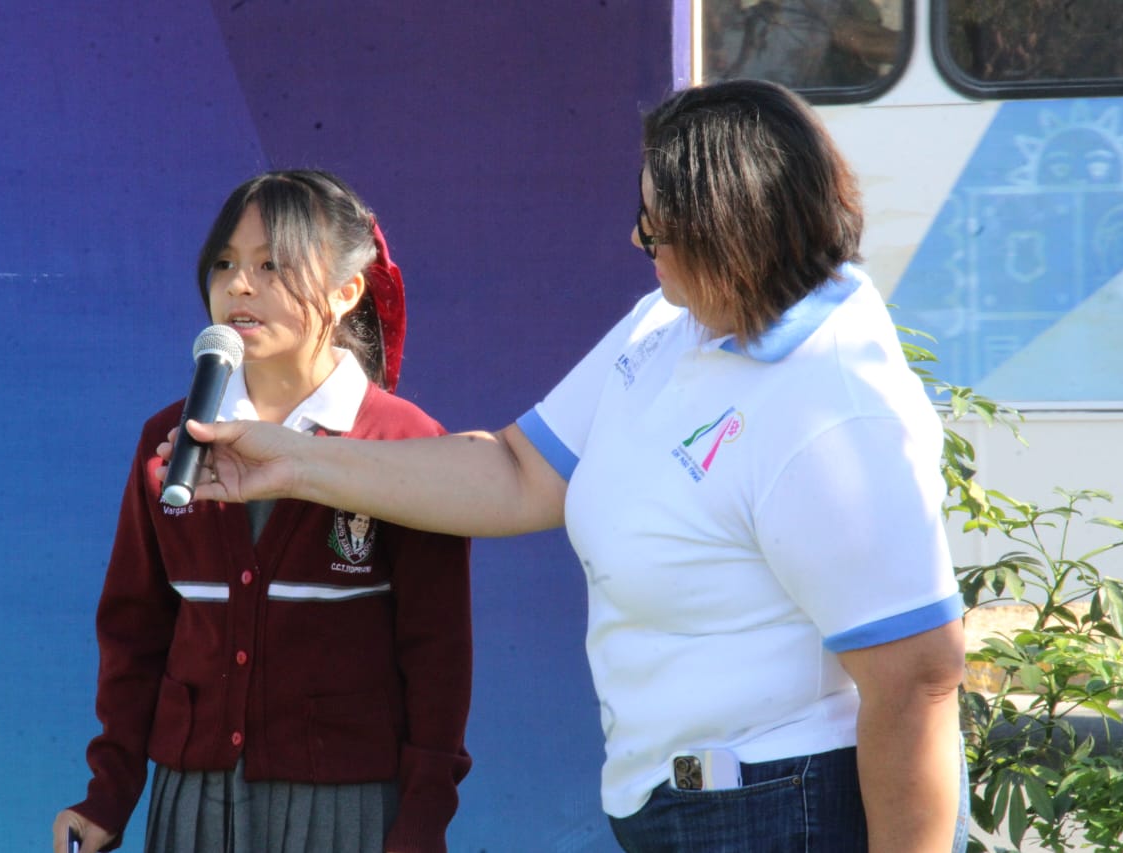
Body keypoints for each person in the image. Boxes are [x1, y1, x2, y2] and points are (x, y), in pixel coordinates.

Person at [157, 80, 968, 852]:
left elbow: (918, 682)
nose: (634, 240)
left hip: (781, 807)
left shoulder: (834, 402)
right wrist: (292, 463)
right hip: (673, 803)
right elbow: (515, 470)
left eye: (654, 228)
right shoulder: (671, 322)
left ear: (729, 231)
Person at [52, 170, 473, 853]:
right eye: (225, 264)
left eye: (271, 265)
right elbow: (135, 630)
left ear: (346, 292)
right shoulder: (171, 439)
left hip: (346, 808)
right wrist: (109, 793)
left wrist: (422, 822)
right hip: (192, 804)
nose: (238, 285)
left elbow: (437, 655)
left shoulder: (404, 443)